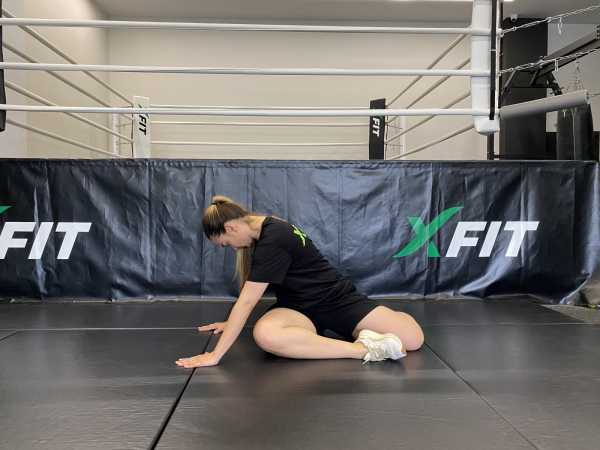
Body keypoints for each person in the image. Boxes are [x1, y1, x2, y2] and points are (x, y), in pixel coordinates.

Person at [176, 196, 424, 369]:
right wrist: (230, 323)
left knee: (413, 340)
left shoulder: (275, 237)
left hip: (336, 300)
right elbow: (249, 290)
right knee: (266, 335)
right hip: (297, 308)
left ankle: (373, 329)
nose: (231, 248)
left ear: (230, 228)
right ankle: (364, 349)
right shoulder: (262, 228)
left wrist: (215, 355)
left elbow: (247, 301)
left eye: (225, 244)